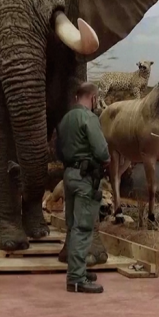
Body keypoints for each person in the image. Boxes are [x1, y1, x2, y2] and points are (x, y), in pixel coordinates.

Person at [55, 82, 110, 294]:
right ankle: (76, 279)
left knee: (72, 225)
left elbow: (59, 149)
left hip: (69, 174)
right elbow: (102, 151)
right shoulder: (89, 118)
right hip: (85, 177)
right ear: (94, 98)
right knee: (84, 227)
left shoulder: (66, 118)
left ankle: (78, 270)